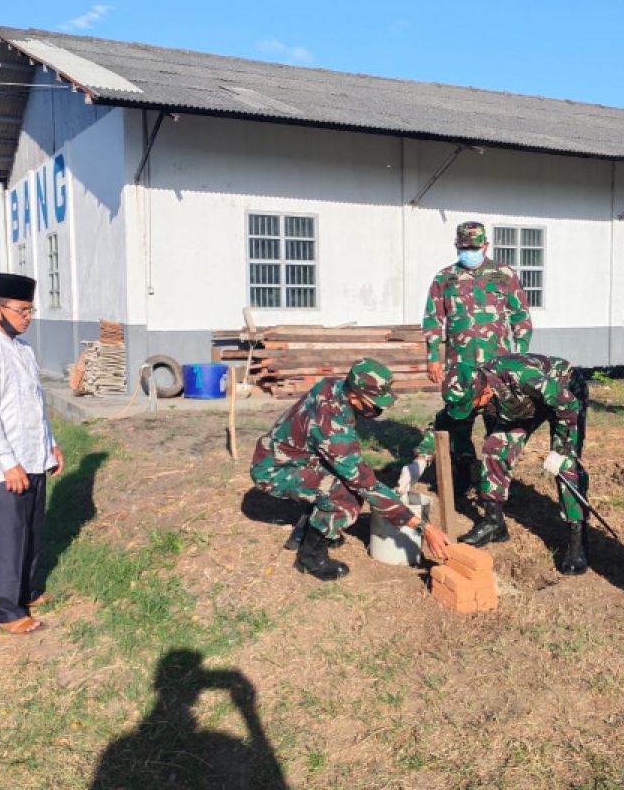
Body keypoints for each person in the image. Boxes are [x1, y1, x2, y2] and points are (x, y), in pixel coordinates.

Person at [250, 358, 450, 580]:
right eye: (375, 405)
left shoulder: (334, 386)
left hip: (291, 455)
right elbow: (364, 483)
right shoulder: (333, 428)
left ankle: (306, 531)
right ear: (355, 397)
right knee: (347, 497)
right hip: (274, 469)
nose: (378, 410)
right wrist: (422, 526)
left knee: (340, 480)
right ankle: (310, 557)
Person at [399, 353, 591, 575]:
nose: (468, 412)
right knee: (494, 448)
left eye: (469, 406)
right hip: (522, 406)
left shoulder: (522, 377)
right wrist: (420, 462)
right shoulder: (469, 385)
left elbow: (568, 405)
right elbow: (444, 422)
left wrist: (560, 451)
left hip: (564, 392)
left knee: (567, 468)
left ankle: (578, 539)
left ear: (485, 392)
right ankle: (494, 523)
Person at [0, 272, 63, 635]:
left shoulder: (24, 352)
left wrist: (50, 445)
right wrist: (8, 463)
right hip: (2, 467)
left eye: (31, 310)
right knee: (6, 536)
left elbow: (36, 406)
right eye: (21, 311)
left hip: (33, 456)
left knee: (31, 532)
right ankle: (6, 610)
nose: (27, 318)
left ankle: (27, 591)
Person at [422, 221, 532, 496]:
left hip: (498, 367)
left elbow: (521, 316)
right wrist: (434, 357)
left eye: (474, 247)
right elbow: (433, 319)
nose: (469, 251)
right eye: (464, 247)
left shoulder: (504, 275)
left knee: (498, 424)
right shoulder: (444, 278)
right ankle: (462, 474)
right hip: (461, 368)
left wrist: (519, 355)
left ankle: (494, 480)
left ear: (485, 245)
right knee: (459, 424)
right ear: (457, 246)